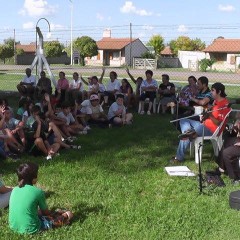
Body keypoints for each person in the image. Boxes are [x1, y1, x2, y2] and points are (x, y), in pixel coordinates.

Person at [170, 82, 230, 163]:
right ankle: (189, 132)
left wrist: (209, 115)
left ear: (219, 92)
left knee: (186, 132)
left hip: (212, 130)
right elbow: (208, 116)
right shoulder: (216, 102)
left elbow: (219, 123)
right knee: (183, 120)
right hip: (203, 125)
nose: (211, 92)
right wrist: (205, 115)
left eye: (212, 90)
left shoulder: (225, 105)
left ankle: (179, 157)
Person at [9, 162, 73, 234]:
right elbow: (46, 213)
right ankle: (64, 219)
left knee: (37, 211)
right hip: (32, 229)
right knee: (69, 214)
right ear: (33, 178)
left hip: (13, 226)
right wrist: (56, 213)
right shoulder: (38, 192)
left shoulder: (15, 189)